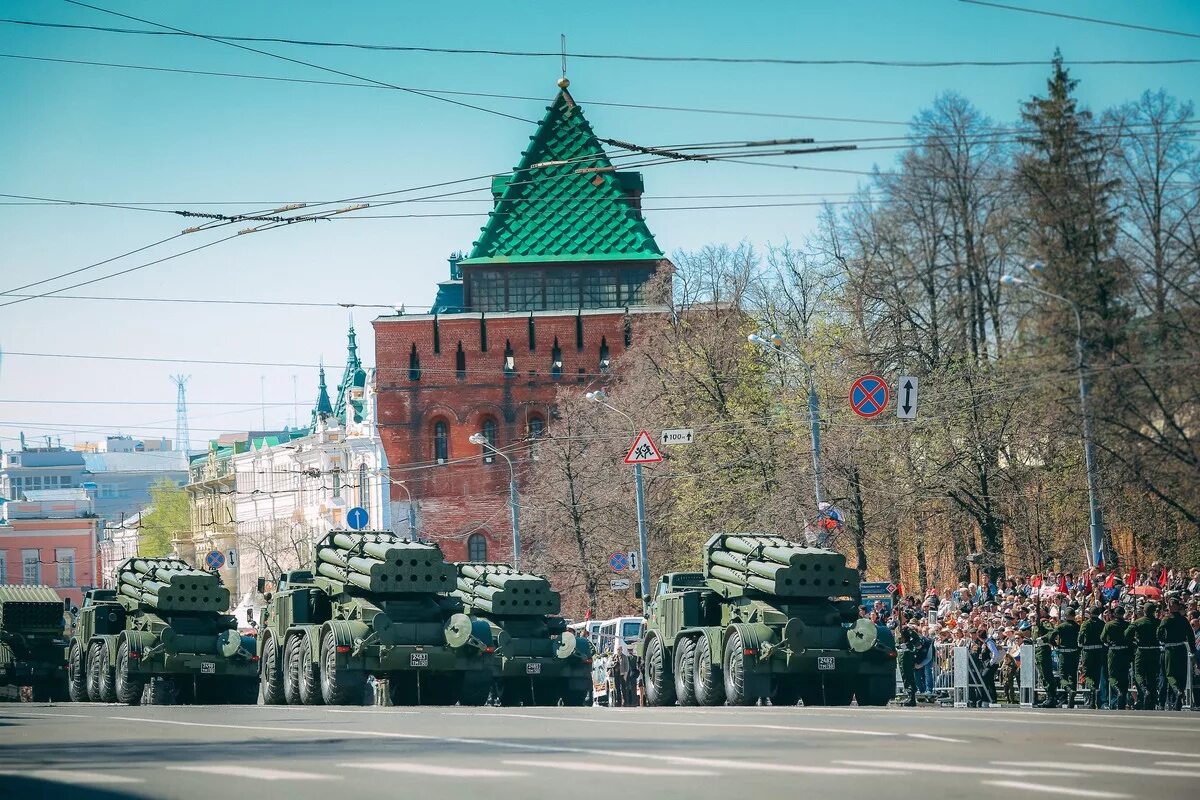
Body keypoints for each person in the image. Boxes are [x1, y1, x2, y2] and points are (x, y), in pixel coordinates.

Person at [1158, 596, 1191, 711]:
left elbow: (1159, 633)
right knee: (1181, 674)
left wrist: (1163, 639)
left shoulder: (1166, 619)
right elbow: (1190, 636)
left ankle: (1177, 691)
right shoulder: (1184, 619)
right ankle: (1178, 700)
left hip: (1170, 650)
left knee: (1170, 674)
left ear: (1172, 606)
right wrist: (1192, 650)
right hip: (1181, 649)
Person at [1129, 602, 1161, 710]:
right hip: (1154, 651)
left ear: (1144, 611)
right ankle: (1151, 699)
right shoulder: (1158, 622)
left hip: (1142, 651)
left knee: (1139, 674)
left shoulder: (1138, 622)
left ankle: (1144, 690)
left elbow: (1127, 634)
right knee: (1152, 675)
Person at [1102, 605, 1132, 709]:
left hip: (1113, 651)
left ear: (1114, 614)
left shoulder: (1109, 625)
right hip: (1124, 652)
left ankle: (1118, 691)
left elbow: (1103, 638)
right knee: (1124, 676)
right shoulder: (1127, 625)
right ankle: (1122, 699)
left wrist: (1109, 642)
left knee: (1112, 676)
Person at [1051, 606, 1081, 708]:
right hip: (1074, 652)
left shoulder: (1061, 626)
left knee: (1062, 675)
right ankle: (1070, 700)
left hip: (1064, 653)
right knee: (1072, 675)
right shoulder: (1077, 626)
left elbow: (1052, 637)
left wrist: (1055, 645)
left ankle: (1068, 689)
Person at [1078, 605, 1106, 709]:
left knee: (1087, 674)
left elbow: (1081, 636)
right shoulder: (1102, 623)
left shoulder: (1086, 623)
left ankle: (1092, 690)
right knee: (1097, 673)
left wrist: (1080, 644)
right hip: (1099, 651)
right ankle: (1095, 697)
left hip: (1088, 651)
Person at [1032, 606, 1058, 708]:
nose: (1037, 612)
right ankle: (1049, 697)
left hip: (1043, 650)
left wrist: (1043, 638)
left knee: (1046, 675)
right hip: (1038, 651)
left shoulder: (1044, 622)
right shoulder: (1037, 622)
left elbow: (1052, 631)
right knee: (1043, 676)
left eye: (1039, 610)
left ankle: (1051, 698)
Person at [897, 625, 918, 706]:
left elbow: (916, 639)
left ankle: (912, 698)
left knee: (909, 676)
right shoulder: (897, 628)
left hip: (907, 655)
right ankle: (909, 695)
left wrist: (908, 644)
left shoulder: (907, 629)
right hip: (901, 655)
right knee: (904, 676)